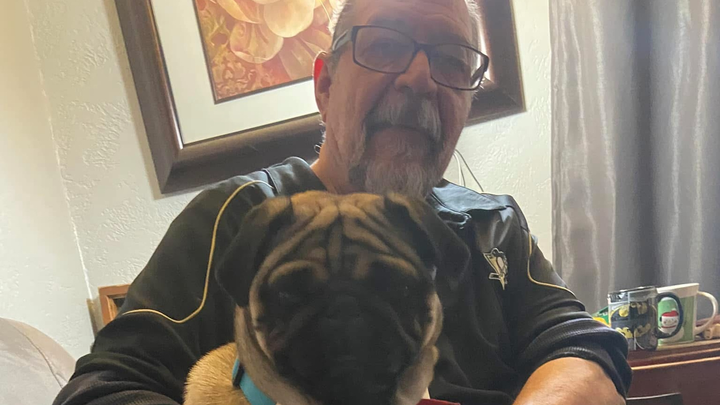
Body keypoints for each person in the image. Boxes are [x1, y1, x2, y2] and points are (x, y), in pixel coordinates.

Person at [53, 0, 631, 404]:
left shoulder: (494, 224)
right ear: (325, 85)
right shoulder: (238, 215)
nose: (420, 78)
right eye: (386, 46)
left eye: (453, 60)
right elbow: (104, 390)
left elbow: (582, 347)